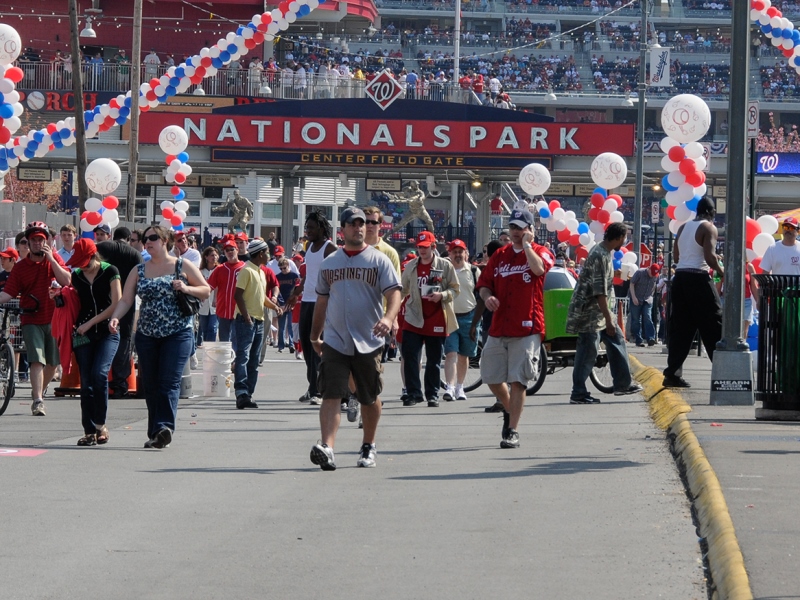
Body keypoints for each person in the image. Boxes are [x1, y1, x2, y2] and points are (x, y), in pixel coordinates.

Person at [308, 207, 401, 470]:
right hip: (336, 340)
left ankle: (368, 444)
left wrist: (389, 318)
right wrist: (315, 336)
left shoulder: (379, 260)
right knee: (331, 393)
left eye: (363, 224)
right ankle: (327, 447)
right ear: (343, 229)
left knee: (368, 396)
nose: (360, 228)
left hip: (368, 339)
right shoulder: (330, 263)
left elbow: (394, 293)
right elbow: (321, 301)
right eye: (354, 224)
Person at [109, 226, 210, 449]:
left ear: (165, 240)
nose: (148, 242)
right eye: (145, 239)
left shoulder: (182, 265)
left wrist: (186, 287)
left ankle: (164, 427)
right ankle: (156, 432)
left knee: (169, 382)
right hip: (147, 334)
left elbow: (205, 289)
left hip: (178, 332)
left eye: (153, 238)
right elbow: (126, 300)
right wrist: (115, 318)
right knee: (152, 385)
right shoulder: (139, 269)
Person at [476, 209, 553, 448]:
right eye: (513, 228)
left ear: (530, 230)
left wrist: (528, 247)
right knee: (490, 376)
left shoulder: (540, 252)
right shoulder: (499, 255)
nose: (516, 232)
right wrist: (487, 297)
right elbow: (484, 285)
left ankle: (512, 430)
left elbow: (539, 269)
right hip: (500, 326)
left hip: (527, 327)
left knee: (518, 380)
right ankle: (510, 409)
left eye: (521, 228)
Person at [566, 223, 643, 404]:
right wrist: (609, 320)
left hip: (599, 313)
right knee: (587, 352)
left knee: (617, 340)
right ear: (617, 237)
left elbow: (602, 276)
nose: (624, 242)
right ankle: (578, 392)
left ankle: (622, 384)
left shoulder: (603, 252)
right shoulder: (600, 255)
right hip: (590, 314)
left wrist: (618, 273)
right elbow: (599, 292)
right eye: (624, 238)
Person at [0, 222, 71, 416]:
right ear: (28, 243)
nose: (37, 243)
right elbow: (8, 292)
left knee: (53, 363)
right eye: (33, 240)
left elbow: (66, 281)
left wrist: (52, 259)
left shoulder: (53, 259)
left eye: (41, 239)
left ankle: (37, 390)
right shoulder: (21, 267)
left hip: (54, 317)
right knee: (36, 360)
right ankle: (38, 400)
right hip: (31, 318)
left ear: (47, 241)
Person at [663, 197, 724, 388]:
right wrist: (723, 273)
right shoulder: (709, 228)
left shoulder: (683, 227)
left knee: (680, 328)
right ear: (711, 212)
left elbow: (677, 254)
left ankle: (672, 373)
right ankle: (723, 372)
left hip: (680, 278)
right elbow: (709, 257)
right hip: (698, 277)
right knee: (714, 323)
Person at [65, 239, 121, 446]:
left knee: (99, 374)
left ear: (93, 255)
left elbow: (117, 302)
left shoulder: (110, 271)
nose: (82, 266)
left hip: (107, 330)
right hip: (83, 333)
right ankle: (89, 431)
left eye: (84, 261)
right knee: (86, 381)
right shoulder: (76, 276)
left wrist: (90, 323)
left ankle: (100, 425)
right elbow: (73, 300)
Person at [400, 230, 460, 408]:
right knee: (410, 356)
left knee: (434, 360)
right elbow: (402, 289)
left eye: (426, 247)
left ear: (434, 246)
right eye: (419, 247)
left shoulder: (444, 265)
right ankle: (412, 393)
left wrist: (441, 295)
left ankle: (432, 394)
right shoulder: (411, 266)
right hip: (413, 316)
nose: (422, 251)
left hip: (436, 318)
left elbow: (455, 289)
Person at [288, 211, 337, 405]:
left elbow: (337, 275)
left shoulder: (329, 247)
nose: (307, 231)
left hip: (322, 302)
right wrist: (296, 292)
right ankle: (312, 387)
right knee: (307, 346)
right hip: (307, 301)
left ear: (322, 229)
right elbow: (309, 274)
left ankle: (321, 389)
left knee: (318, 346)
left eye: (311, 227)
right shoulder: (309, 247)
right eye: (306, 227)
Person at [232, 239, 281, 409]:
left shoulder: (260, 271)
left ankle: (249, 393)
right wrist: (246, 316)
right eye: (267, 252)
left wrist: (274, 306)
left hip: (258, 320)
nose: (269, 256)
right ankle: (241, 392)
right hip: (246, 321)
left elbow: (262, 297)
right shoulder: (247, 270)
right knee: (243, 357)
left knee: (254, 359)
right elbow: (238, 295)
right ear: (260, 254)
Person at [95, 235, 143, 399]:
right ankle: (120, 383)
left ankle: (99, 380)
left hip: (104, 300)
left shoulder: (102, 247)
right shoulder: (134, 254)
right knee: (124, 339)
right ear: (128, 238)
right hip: (126, 302)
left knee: (102, 337)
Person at [443, 239, 480, 401]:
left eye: (460, 252)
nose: (458, 255)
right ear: (449, 254)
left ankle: (460, 387)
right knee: (451, 353)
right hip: (450, 317)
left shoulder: (474, 271)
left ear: (466, 253)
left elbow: (481, 294)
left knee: (464, 355)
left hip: (470, 317)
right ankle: (450, 388)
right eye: (454, 252)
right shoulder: (444, 271)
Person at [207, 240, 245, 345]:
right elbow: (209, 287)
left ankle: (235, 361)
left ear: (237, 250)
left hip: (238, 311)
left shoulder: (245, 268)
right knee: (224, 342)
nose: (229, 252)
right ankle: (226, 361)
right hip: (223, 311)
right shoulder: (220, 269)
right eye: (227, 250)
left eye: (231, 249)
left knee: (236, 340)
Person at [629, 263, 661, 347]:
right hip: (636, 298)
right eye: (652, 273)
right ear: (649, 268)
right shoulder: (639, 273)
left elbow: (655, 286)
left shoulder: (655, 276)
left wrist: (651, 295)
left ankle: (650, 338)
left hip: (647, 299)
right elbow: (632, 284)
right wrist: (634, 297)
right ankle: (638, 340)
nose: (652, 275)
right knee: (636, 320)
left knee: (647, 317)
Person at [275, 257, 299, 353]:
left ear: (288, 266)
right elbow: (277, 290)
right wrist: (280, 304)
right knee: (281, 326)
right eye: (281, 269)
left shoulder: (294, 275)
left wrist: (293, 301)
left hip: (291, 303)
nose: (283, 270)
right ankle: (281, 345)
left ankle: (291, 344)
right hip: (281, 303)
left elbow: (297, 289)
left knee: (290, 325)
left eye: (284, 268)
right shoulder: (278, 277)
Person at [199, 246, 219, 344]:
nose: (214, 257)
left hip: (215, 304)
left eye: (215, 255)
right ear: (206, 257)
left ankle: (210, 348)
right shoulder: (201, 271)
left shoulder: (219, 270)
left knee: (212, 327)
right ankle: (207, 349)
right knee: (205, 329)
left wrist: (216, 298)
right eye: (212, 255)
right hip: (203, 305)